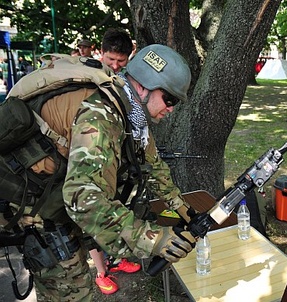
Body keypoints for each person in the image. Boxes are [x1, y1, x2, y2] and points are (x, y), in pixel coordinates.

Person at [4, 44, 196, 301]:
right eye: (169, 99)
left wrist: (184, 209)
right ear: (143, 87)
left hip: (53, 198)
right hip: (31, 206)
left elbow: (153, 165)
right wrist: (153, 239)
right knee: (73, 292)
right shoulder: (101, 116)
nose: (171, 108)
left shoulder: (132, 114)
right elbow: (83, 198)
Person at [88, 27, 137, 295]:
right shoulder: (88, 79)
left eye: (121, 61)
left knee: (116, 210)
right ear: (101, 53)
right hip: (92, 161)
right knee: (94, 217)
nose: (115, 66)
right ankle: (100, 271)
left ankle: (116, 259)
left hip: (115, 163)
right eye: (111, 60)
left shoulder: (121, 82)